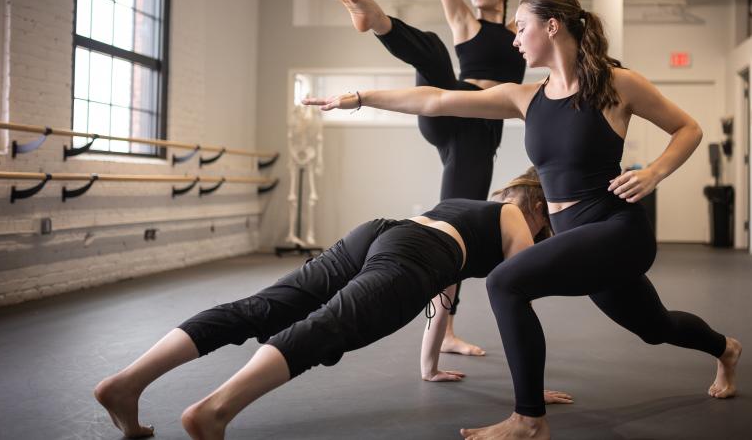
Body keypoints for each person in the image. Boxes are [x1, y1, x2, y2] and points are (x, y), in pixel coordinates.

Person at [305, 0, 742, 440]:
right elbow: (435, 100)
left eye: (521, 28)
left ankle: (529, 420)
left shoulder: (617, 84)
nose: (515, 40)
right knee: (655, 326)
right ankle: (725, 349)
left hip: (617, 229)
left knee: (505, 283)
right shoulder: (525, 97)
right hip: (576, 236)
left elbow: (688, 128)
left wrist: (654, 172)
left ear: (551, 27)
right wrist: (359, 98)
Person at [93, 169, 570, 440]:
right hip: (418, 254)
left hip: (379, 233)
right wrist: (530, 391)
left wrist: (428, 366)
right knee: (329, 326)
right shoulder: (514, 217)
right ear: (538, 209)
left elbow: (444, 298)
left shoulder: (470, 209)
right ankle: (214, 410)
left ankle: (126, 384)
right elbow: (516, 300)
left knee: (261, 307)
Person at [349, 0, 541, 357]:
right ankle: (380, 23)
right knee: (434, 50)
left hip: (477, 134)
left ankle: (444, 330)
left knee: (454, 226)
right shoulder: (465, 23)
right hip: (447, 109)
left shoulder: (518, 27)